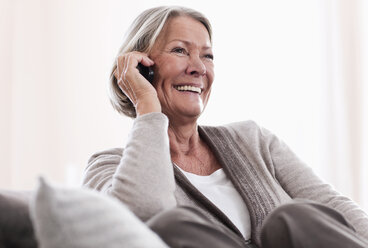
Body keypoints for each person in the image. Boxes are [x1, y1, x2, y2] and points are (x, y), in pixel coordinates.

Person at [83, 6, 368, 248]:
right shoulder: (107, 167)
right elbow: (140, 219)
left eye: (207, 56)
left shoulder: (253, 140)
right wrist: (146, 104)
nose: (199, 68)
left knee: (293, 218)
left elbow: (336, 209)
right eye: (180, 50)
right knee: (172, 224)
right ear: (141, 68)